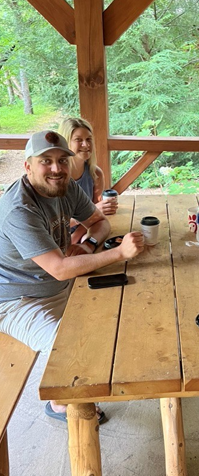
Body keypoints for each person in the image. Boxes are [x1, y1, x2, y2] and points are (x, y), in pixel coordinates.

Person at [0, 130, 144, 422]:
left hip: (61, 284)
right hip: (18, 299)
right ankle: (60, 403)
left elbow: (98, 222)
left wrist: (88, 244)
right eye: (46, 161)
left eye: (62, 160)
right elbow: (59, 267)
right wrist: (118, 253)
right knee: (72, 347)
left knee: (125, 308)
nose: (56, 169)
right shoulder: (18, 208)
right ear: (28, 166)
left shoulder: (65, 187)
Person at [58, 117, 118, 244]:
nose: (86, 145)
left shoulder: (95, 174)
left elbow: (94, 221)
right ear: (66, 143)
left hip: (82, 233)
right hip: (56, 237)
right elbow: (52, 224)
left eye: (89, 139)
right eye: (78, 140)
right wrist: (94, 210)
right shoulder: (55, 178)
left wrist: (77, 239)